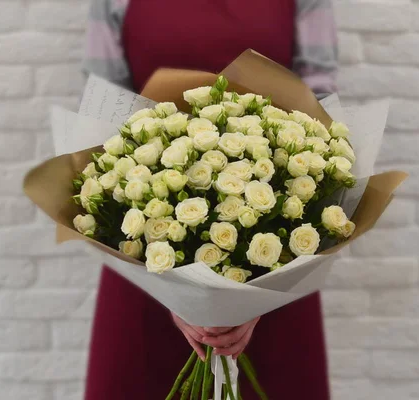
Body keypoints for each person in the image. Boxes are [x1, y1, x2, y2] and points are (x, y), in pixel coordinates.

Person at [81, 0, 338, 398]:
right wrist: (179, 293)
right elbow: (105, 117)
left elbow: (321, 111)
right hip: (144, 253)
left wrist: (250, 299)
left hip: (276, 253)